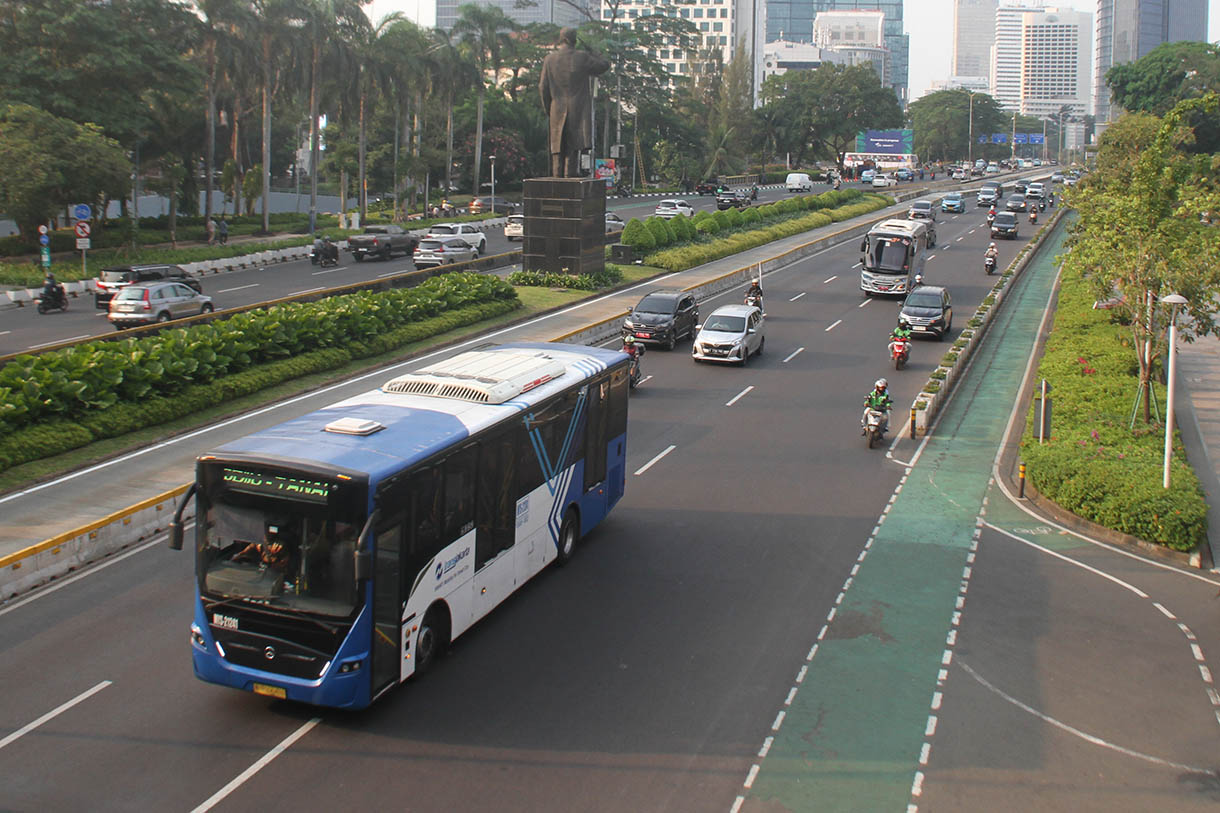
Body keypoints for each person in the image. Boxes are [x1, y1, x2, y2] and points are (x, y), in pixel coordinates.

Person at [539, 27, 610, 177]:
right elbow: (604, 65)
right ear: (574, 39)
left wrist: (548, 109)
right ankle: (569, 181)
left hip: (556, 110)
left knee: (557, 150)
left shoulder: (549, 60)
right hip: (577, 109)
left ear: (561, 39)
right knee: (572, 151)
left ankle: (557, 182)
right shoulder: (582, 57)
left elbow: (542, 87)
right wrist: (596, 54)